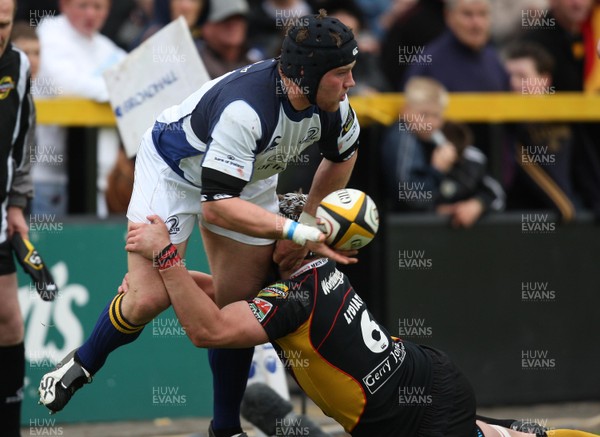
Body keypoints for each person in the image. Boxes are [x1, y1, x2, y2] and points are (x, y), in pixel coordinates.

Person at [39, 10, 360, 437]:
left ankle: (224, 429)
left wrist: (306, 218)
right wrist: (299, 232)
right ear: (308, 74)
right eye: (342, 73)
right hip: (174, 170)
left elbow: (343, 157)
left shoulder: (333, 105)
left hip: (244, 178)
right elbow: (216, 208)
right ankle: (83, 361)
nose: (351, 84)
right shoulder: (246, 110)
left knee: (240, 308)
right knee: (148, 299)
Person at [117, 192, 597, 437]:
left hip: (415, 412)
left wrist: (167, 260)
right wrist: (165, 281)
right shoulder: (307, 275)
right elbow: (223, 298)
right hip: (423, 384)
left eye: (272, 234)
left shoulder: (292, 296)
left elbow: (209, 329)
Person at [34, 0, 126, 217]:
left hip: (99, 180)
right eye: (83, 6)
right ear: (64, 5)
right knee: (49, 249)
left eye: (98, 7)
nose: (91, 14)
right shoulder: (48, 35)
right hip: (47, 178)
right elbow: (65, 85)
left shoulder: (105, 46)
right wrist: (115, 91)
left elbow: (136, 78)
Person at [381, 76, 505, 227]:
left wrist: (477, 204)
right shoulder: (402, 138)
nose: (431, 122)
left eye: (437, 115)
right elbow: (411, 199)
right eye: (424, 114)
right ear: (405, 110)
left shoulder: (446, 142)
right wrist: (437, 170)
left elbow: (496, 193)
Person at [0, 0, 35, 435]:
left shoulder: (19, 66)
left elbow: (22, 143)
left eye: (4, 23)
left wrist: (15, 205)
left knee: (8, 320)